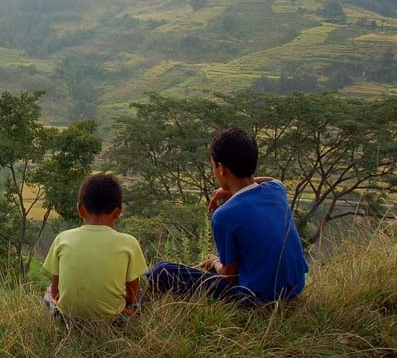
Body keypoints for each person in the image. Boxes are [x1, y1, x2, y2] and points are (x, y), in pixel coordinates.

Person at [146, 128, 308, 303]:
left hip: (257, 298)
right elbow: (273, 180)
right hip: (294, 288)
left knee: (161, 271)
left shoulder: (224, 215)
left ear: (221, 168)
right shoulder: (276, 190)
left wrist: (214, 262)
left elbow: (230, 275)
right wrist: (229, 188)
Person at [42, 173, 148, 322]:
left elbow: (55, 293)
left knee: (47, 293)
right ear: (118, 212)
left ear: (80, 209)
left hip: (67, 319)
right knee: (142, 297)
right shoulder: (129, 243)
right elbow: (133, 296)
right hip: (113, 322)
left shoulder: (62, 238)